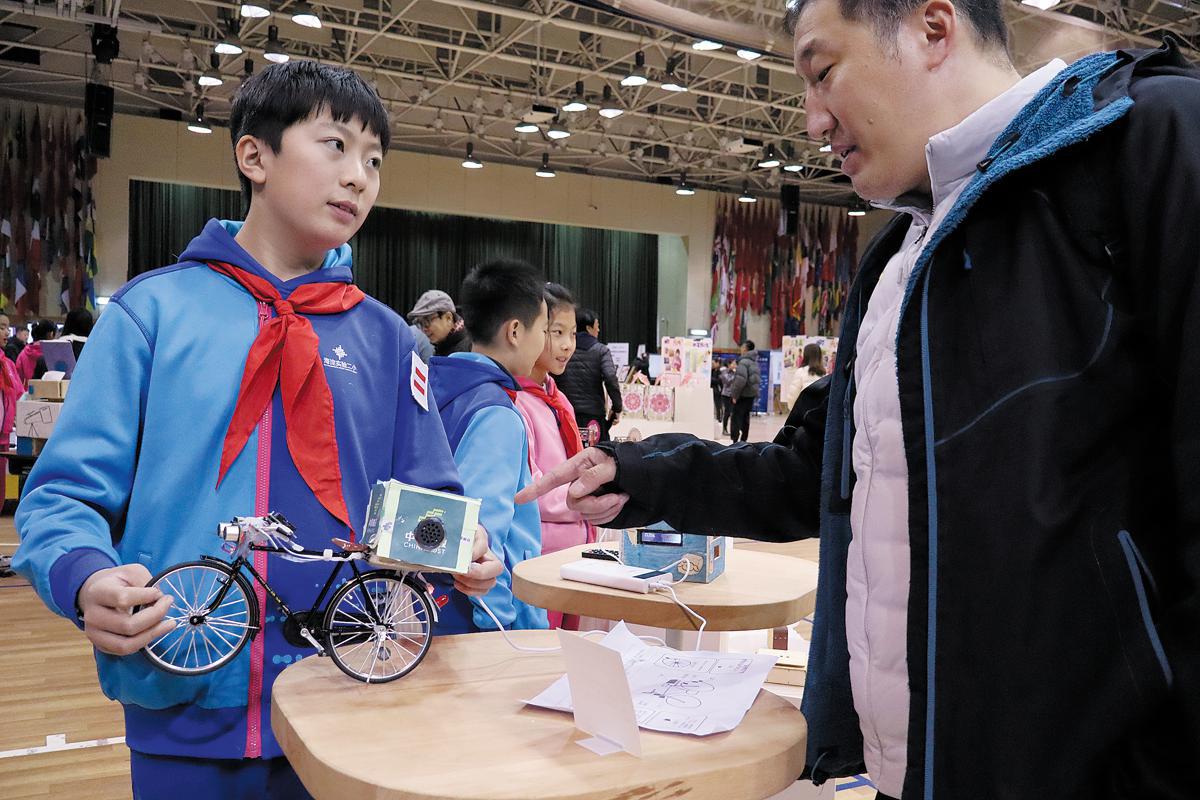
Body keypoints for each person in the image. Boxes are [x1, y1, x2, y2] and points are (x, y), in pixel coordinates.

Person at [517, 1, 1200, 796]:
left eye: (823, 72)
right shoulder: (902, 258)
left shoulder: (1146, 142)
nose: (812, 120)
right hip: (911, 771)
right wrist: (641, 475)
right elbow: (823, 474)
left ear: (932, 28)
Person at [12, 60, 501, 798]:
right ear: (254, 156)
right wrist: (85, 579)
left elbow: (428, 497)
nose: (359, 176)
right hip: (186, 697)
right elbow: (63, 495)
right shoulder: (152, 315)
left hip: (353, 705)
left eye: (374, 160)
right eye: (335, 146)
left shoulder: (390, 342)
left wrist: (465, 550)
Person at [428, 259, 549, 634]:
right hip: (480, 620)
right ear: (515, 331)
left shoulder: (436, 388)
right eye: (544, 329)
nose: (544, 342)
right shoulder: (495, 414)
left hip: (433, 607)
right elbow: (482, 536)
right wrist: (497, 623)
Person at [512, 283, 592, 628]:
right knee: (542, 647)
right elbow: (529, 490)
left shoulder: (558, 399)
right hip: (541, 558)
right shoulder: (516, 402)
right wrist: (584, 498)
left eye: (572, 334)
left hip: (574, 554)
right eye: (556, 332)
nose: (567, 345)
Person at [558, 308, 622, 442]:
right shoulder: (601, 351)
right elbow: (610, 378)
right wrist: (617, 407)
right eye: (597, 326)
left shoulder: (564, 350)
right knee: (596, 452)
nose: (598, 330)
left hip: (566, 413)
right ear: (588, 328)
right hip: (594, 416)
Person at [0, 313, 23, 501]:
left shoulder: (7, 364)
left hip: (4, 436)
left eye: (7, 327)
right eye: (1, 327)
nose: (7, 332)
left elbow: (20, 394)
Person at [408, 289, 470, 357]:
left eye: (427, 321)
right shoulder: (443, 347)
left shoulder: (468, 350)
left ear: (448, 318)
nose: (424, 329)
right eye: (420, 323)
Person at [726, 340, 759, 443]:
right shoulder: (754, 362)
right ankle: (744, 439)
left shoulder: (743, 362)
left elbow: (740, 380)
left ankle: (735, 440)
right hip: (750, 395)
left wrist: (735, 395)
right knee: (746, 418)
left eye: (742, 347)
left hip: (742, 395)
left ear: (745, 349)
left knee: (736, 417)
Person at [14, 319, 56, 384]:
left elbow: (17, 378)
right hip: (49, 389)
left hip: (27, 389)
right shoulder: (53, 353)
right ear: (51, 334)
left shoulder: (23, 353)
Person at [784, 343, 826, 409]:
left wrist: (793, 410)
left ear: (805, 355)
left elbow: (793, 395)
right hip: (819, 412)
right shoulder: (824, 374)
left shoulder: (801, 372)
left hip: (804, 411)